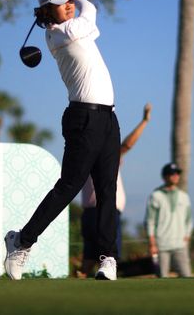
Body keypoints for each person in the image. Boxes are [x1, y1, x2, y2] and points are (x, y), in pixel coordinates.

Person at [4, 0, 121, 281]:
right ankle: (21, 241)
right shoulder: (61, 34)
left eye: (70, 0)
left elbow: (86, 11)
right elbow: (90, 9)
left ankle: (107, 258)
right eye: (62, 2)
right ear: (47, 11)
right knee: (69, 186)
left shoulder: (75, 29)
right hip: (83, 118)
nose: (69, 5)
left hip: (108, 118)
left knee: (107, 189)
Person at [80, 103, 152, 277]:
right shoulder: (98, 152)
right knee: (107, 257)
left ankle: (83, 281)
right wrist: (144, 121)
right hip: (102, 211)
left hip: (94, 212)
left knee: (90, 258)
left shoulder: (88, 150)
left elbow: (125, 146)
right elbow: (127, 145)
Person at [145, 163, 193, 278]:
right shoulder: (155, 196)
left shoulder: (184, 196)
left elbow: (189, 220)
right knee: (162, 277)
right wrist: (152, 243)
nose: (176, 176)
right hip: (161, 245)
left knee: (187, 277)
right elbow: (150, 221)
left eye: (177, 173)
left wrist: (187, 236)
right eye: (172, 173)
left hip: (180, 245)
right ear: (164, 176)